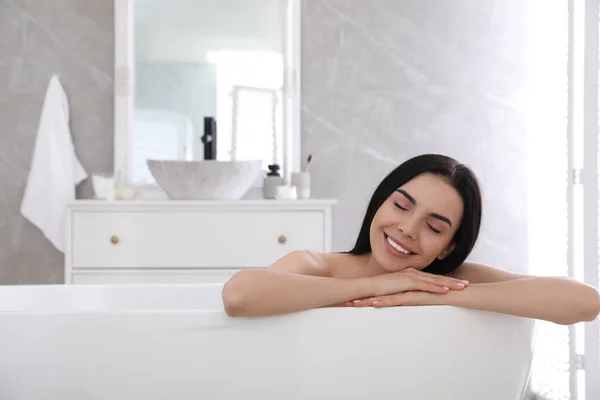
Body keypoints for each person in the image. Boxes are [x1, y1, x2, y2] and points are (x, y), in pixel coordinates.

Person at [222, 154, 600, 325]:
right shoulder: (316, 266)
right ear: (380, 202)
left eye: (434, 228)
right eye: (401, 205)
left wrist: (434, 294)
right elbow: (239, 296)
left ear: (449, 246)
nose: (406, 229)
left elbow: (584, 302)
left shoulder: (449, 279)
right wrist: (382, 283)